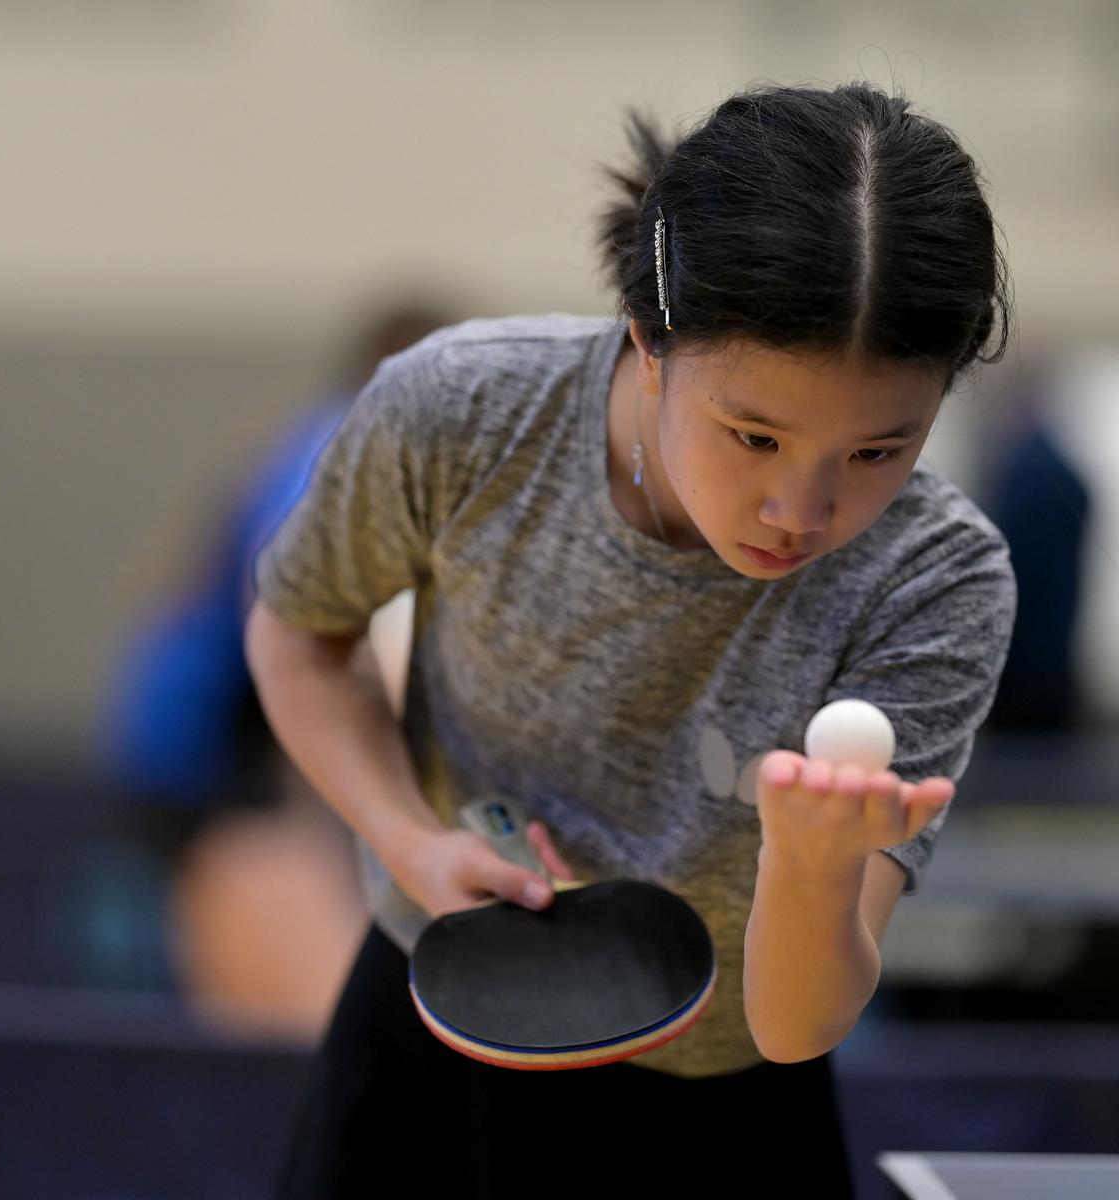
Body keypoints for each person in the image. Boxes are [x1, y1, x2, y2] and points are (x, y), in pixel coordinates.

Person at [247, 82, 1017, 1197]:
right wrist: (409, 840)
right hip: (438, 1045)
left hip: (731, 1113)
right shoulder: (459, 411)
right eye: (753, 436)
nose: (799, 510)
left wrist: (809, 869)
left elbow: (796, 1027)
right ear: (649, 338)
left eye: (875, 453)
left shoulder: (937, 576)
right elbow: (299, 636)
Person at [105, 304, 452, 1033]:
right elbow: (306, 621)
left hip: (238, 749)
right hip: (208, 761)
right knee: (286, 995)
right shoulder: (330, 456)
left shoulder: (366, 455)